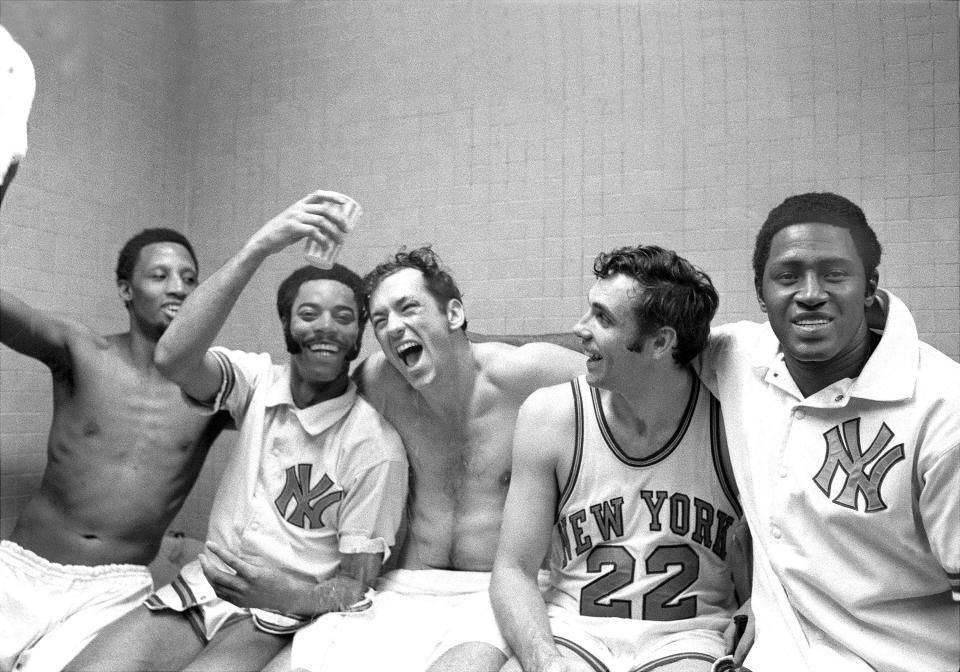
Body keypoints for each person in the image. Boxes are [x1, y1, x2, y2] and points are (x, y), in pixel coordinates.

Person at [66, 191, 409, 672]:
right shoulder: (255, 383)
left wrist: (285, 593)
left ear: (359, 335)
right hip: (201, 588)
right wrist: (259, 247)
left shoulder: (374, 447)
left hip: (280, 611)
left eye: (344, 316)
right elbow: (173, 357)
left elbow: (355, 586)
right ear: (287, 326)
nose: (326, 328)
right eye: (308, 314)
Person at [0, 25, 232, 672]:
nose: (179, 288)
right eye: (160, 276)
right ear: (125, 290)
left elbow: (307, 408)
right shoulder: (79, 351)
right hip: (22, 572)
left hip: (116, 591)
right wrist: (3, 171)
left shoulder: (219, 389)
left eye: (190, 277)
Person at [267, 246, 586, 672]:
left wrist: (705, 345)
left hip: (494, 593)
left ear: (453, 315)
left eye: (408, 308)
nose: (394, 327)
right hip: (403, 586)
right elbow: (299, 412)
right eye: (379, 320)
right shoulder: (378, 382)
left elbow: (630, 380)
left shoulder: (527, 374)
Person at [696, 192, 959, 671]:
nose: (811, 292)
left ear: (869, 287)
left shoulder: (944, 407)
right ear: (761, 291)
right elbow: (632, 355)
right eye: (788, 275)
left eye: (835, 273)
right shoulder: (738, 358)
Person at [491, 245, 750, 672]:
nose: (579, 328)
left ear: (660, 342)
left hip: (688, 637)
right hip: (572, 632)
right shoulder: (550, 416)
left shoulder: (730, 421)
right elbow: (513, 569)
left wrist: (755, 606)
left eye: (603, 318)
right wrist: (545, 662)